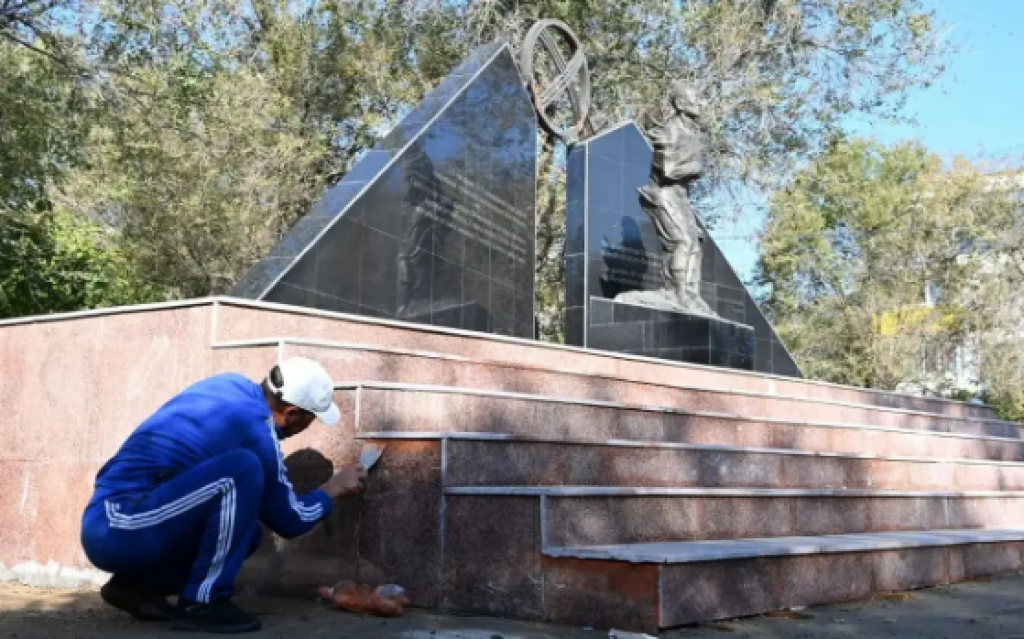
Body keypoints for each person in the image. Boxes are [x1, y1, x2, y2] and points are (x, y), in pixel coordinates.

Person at [80, 357, 367, 633]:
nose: (309, 426)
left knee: (246, 533)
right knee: (241, 468)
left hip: (124, 520)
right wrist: (333, 488)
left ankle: (135, 588)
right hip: (117, 524)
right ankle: (203, 603)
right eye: (311, 419)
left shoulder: (230, 385)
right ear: (291, 414)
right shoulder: (256, 428)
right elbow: (289, 519)